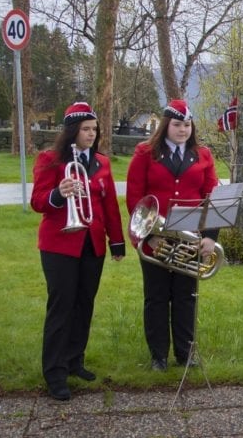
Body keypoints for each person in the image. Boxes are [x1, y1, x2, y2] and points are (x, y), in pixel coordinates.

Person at [30, 101, 126, 401]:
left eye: (94, 129)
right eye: (85, 129)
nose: (91, 134)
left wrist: (117, 241)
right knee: (62, 306)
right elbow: (37, 201)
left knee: (85, 304)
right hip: (59, 245)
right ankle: (54, 372)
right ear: (72, 131)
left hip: (92, 243)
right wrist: (59, 194)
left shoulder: (101, 162)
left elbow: (109, 204)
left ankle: (75, 360)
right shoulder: (50, 159)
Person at [126, 99, 219, 371]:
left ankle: (186, 352)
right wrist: (146, 237)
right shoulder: (145, 153)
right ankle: (158, 356)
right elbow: (135, 198)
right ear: (166, 125)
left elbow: (211, 197)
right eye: (177, 125)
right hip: (154, 237)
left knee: (186, 296)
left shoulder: (203, 155)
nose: (183, 130)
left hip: (188, 237)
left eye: (187, 125)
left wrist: (210, 236)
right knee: (156, 297)